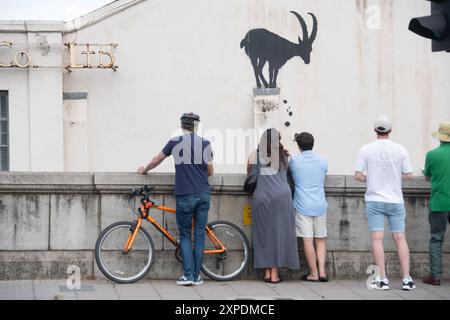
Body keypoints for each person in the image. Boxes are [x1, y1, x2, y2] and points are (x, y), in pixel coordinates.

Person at [137, 112, 213, 286]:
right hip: (203, 194)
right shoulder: (206, 143)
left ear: (181, 126)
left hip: (185, 195)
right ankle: (197, 276)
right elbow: (210, 171)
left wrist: (144, 170)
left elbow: (157, 160)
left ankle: (188, 276)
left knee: (185, 235)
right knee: (199, 236)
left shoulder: (175, 142)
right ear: (196, 126)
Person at [355, 115, 416, 291]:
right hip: (395, 200)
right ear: (390, 131)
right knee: (400, 237)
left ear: (375, 130)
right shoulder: (401, 149)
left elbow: (358, 175)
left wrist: (370, 177)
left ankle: (382, 278)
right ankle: (406, 279)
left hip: (374, 199)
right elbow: (410, 174)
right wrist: (396, 176)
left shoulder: (366, 149)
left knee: (377, 238)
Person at [247, 128, 299, 283]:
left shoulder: (255, 155)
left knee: (263, 234)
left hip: (262, 196)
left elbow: (250, 175)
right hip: (282, 197)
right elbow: (289, 176)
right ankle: (275, 273)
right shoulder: (284, 156)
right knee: (278, 234)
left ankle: (267, 272)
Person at [289, 132, 329, 282]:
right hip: (320, 204)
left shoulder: (294, 161)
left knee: (307, 240)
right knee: (320, 239)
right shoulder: (323, 161)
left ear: (298, 146)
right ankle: (323, 272)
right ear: (313, 144)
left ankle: (313, 273)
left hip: (302, 204)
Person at [422, 122, 450, 286]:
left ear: (440, 137)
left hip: (439, 202)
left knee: (436, 239)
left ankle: (435, 276)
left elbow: (427, 176)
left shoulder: (432, 154)